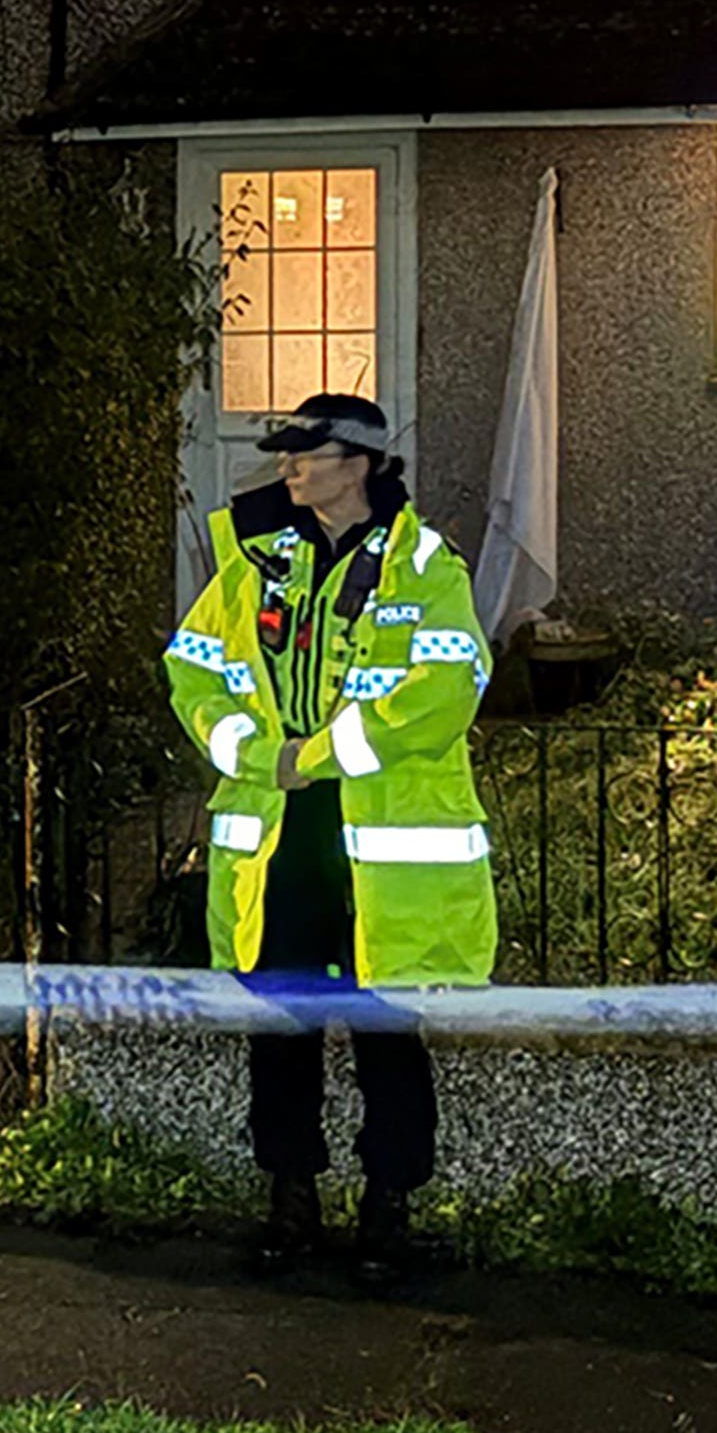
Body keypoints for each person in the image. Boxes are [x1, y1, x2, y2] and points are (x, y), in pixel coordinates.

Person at [160, 390, 496, 1289]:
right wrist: (257, 753)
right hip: (284, 835)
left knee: (388, 1034)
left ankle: (389, 1207)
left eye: (305, 454)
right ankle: (290, 1198)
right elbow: (195, 669)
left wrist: (316, 754)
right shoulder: (256, 561)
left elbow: (445, 687)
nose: (289, 468)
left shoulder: (425, 568)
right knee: (280, 1027)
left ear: (357, 463)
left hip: (382, 846)